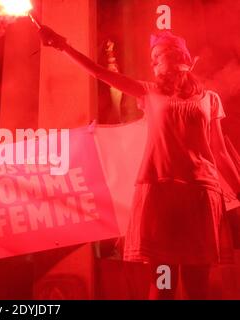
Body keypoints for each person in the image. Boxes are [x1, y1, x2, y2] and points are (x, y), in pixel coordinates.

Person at [39, 27, 240, 299]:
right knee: (163, 282)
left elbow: (219, 150)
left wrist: (239, 188)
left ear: (180, 56)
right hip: (161, 195)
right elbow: (101, 73)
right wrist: (64, 46)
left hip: (200, 196)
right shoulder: (149, 92)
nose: (154, 62)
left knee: (198, 286)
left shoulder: (209, 99)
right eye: (152, 58)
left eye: (159, 55)